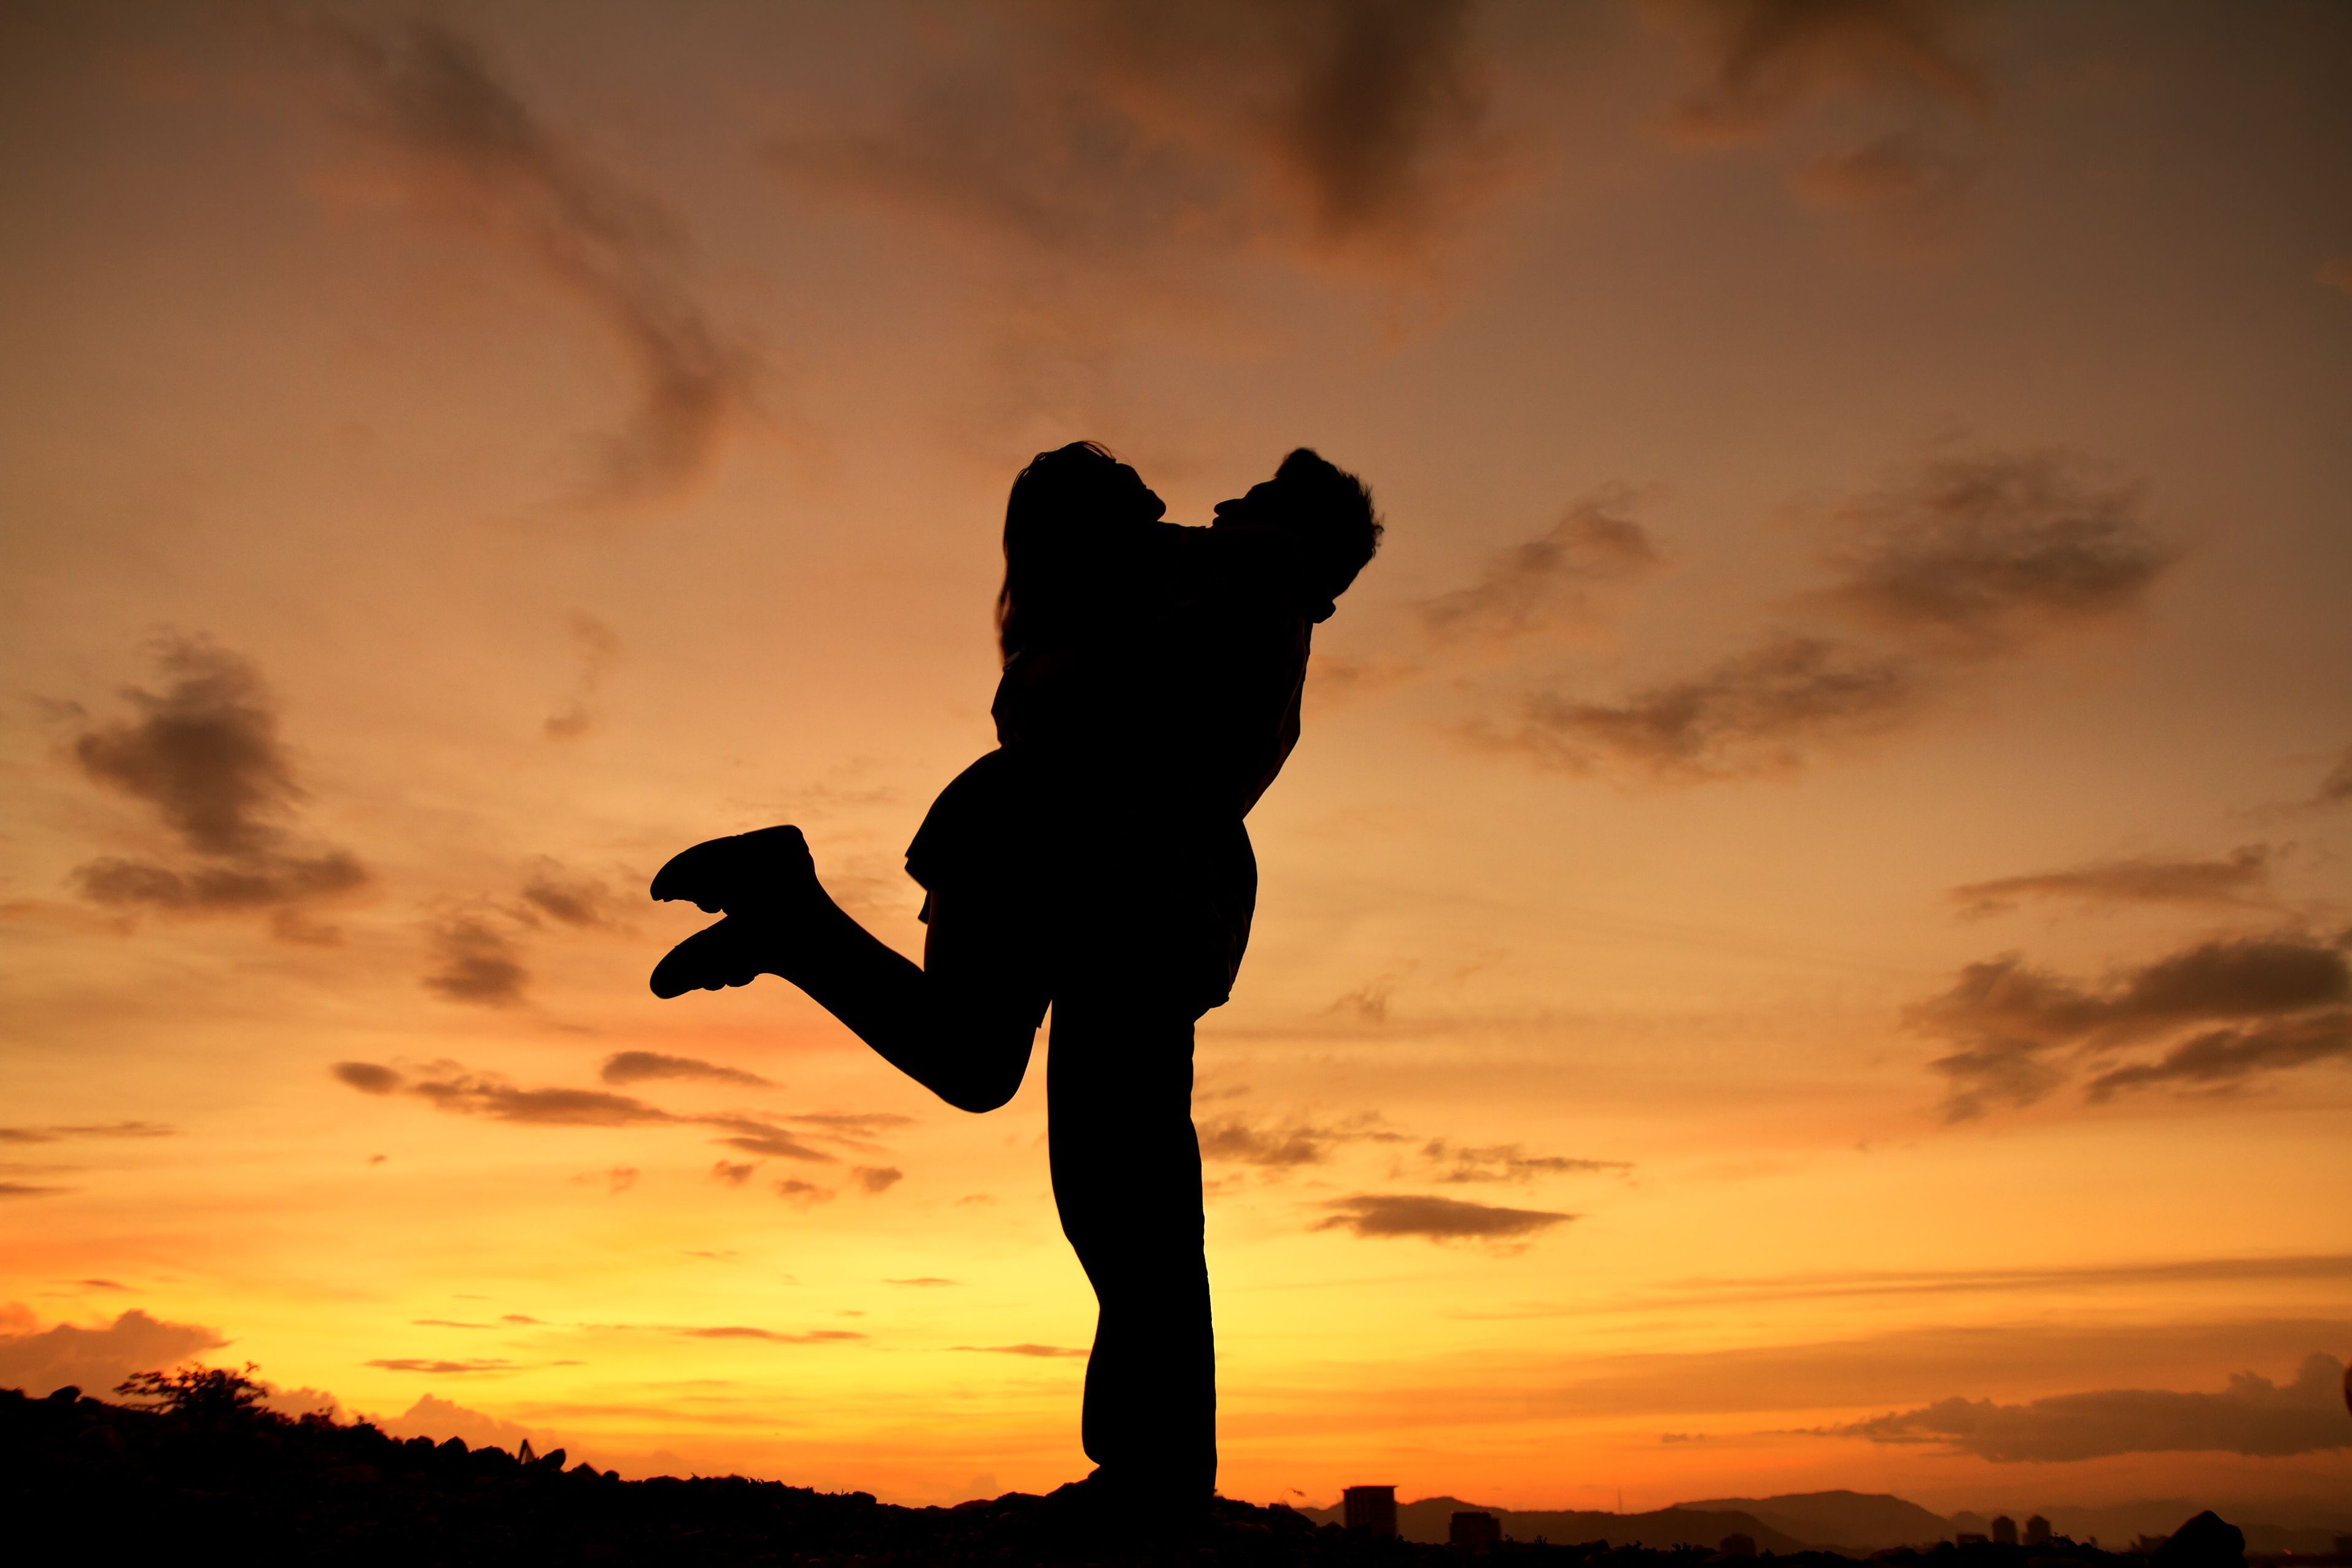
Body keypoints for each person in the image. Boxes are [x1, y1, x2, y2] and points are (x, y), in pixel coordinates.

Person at [647, 443, 1381, 1511]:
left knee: (1021, 1098)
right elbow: (1129, 680)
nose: (1232, 504)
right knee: (1127, 1185)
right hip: (1115, 870)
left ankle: (790, 916)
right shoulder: (1250, 583)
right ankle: (1154, 1472)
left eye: (1262, 499)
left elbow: (1087, 650)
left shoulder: (1237, 572)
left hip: (1078, 853)